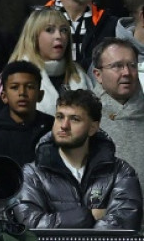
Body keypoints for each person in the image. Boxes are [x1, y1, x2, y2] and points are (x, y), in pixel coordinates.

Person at [14, 89, 143, 229]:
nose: (64, 125)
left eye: (75, 119)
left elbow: (126, 223)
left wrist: (59, 220)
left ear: (93, 128)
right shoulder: (32, 174)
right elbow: (30, 225)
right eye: (59, 117)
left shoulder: (120, 172)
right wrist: (87, 216)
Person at [0, 7, 94, 117]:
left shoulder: (80, 75)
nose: (59, 36)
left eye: (64, 30)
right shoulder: (11, 75)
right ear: (34, 37)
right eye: (49, 30)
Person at [90, 38, 144, 201]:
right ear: (98, 75)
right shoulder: (83, 117)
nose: (126, 72)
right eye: (117, 66)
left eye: (132, 65)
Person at [0, 61, 54, 169]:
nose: (22, 92)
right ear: (4, 96)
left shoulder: (52, 131)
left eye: (30, 87)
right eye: (14, 87)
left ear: (40, 95)